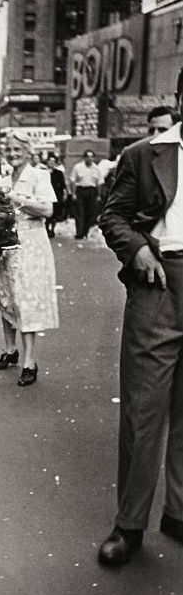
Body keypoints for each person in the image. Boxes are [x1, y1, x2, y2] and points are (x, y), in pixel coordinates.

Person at [96, 69, 183, 567]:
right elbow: (112, 216)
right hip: (159, 283)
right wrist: (137, 250)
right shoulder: (144, 154)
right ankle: (129, 525)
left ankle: (178, 513)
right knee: (143, 411)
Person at [0, 130, 59, 386]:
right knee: (6, 297)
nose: (12, 154)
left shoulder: (39, 176)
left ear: (28, 152)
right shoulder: (4, 178)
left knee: (27, 299)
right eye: (9, 150)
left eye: (17, 150)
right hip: (7, 244)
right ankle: (10, 350)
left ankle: (30, 361)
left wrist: (15, 198)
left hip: (31, 243)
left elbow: (47, 209)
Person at [68, 149, 104, 240]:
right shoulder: (78, 167)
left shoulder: (97, 169)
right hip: (80, 191)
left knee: (90, 212)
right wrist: (73, 193)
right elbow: (73, 181)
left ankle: (85, 231)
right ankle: (79, 233)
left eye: (92, 157)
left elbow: (99, 183)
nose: (90, 159)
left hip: (92, 192)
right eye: (88, 157)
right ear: (84, 158)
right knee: (80, 212)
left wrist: (99, 195)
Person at [45, 152, 68, 238]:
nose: (51, 163)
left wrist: (64, 194)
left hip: (56, 195)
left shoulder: (59, 173)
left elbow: (63, 185)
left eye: (53, 162)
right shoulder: (43, 172)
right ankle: (47, 229)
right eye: (50, 161)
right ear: (47, 162)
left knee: (54, 214)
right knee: (47, 214)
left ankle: (52, 230)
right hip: (45, 195)